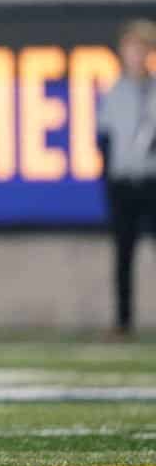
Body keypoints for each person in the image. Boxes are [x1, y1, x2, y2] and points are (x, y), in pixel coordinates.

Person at [98, 19, 156, 339]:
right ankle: (123, 322)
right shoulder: (114, 92)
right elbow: (104, 138)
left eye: (140, 47)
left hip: (152, 181)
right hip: (123, 183)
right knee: (123, 255)